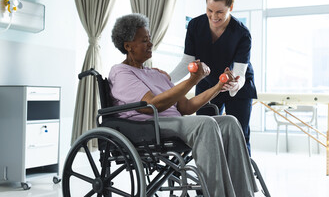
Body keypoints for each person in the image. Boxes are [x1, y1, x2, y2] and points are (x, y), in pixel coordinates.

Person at [108, 13, 257, 197]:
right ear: (128, 46)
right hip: (148, 126)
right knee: (205, 123)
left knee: (230, 122)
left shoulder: (156, 73)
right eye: (144, 40)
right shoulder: (121, 72)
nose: (150, 44)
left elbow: (185, 107)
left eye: (150, 39)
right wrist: (193, 80)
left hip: (173, 122)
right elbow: (151, 106)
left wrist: (218, 87)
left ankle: (244, 194)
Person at [170, 0, 257, 155]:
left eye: (220, 12)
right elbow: (187, 61)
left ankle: (242, 177)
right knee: (204, 133)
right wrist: (165, 80)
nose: (213, 16)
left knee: (239, 135)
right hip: (208, 83)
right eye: (210, 10)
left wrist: (234, 83)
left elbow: (240, 71)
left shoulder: (242, 33)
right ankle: (209, 176)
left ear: (230, 8)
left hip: (237, 87)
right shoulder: (195, 25)